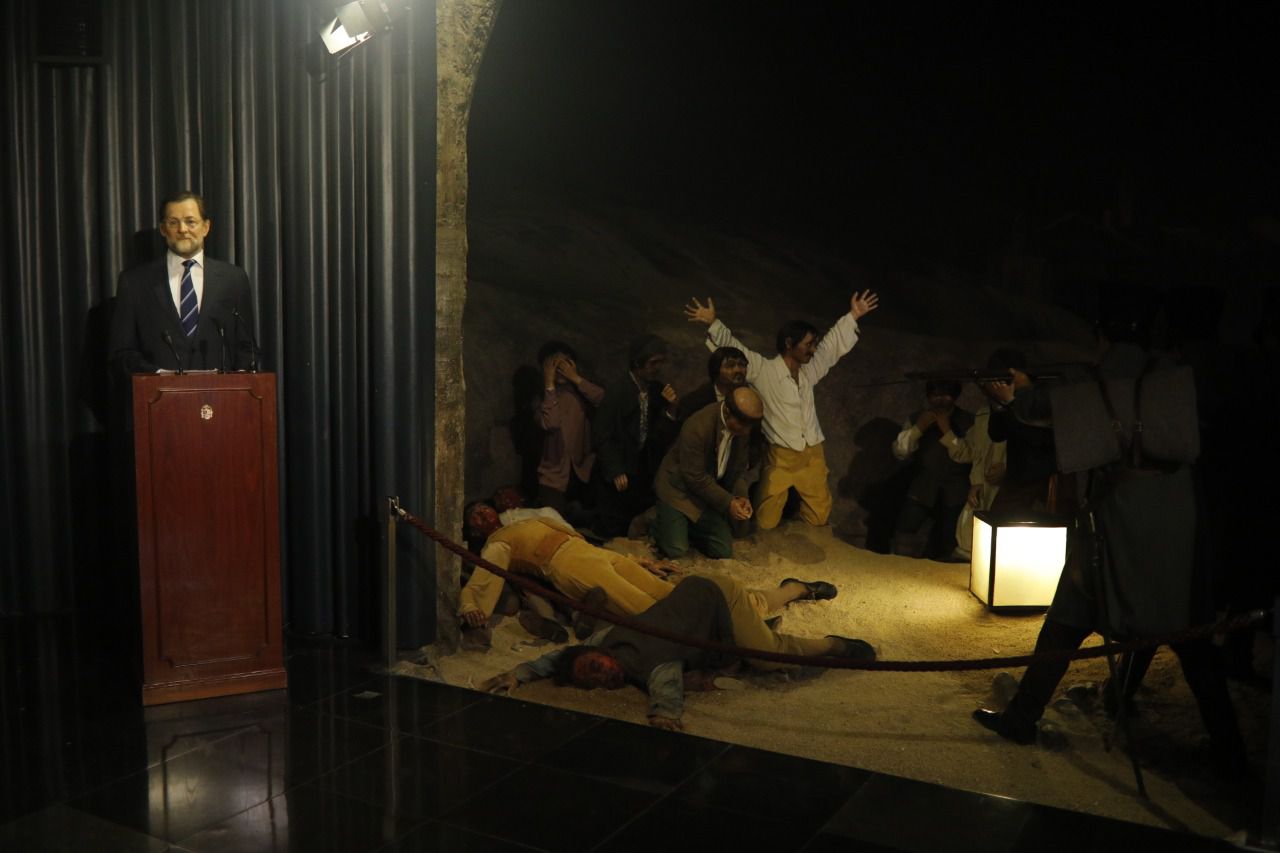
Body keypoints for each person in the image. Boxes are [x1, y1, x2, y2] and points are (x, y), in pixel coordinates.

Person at [971, 287, 1248, 778]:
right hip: (1178, 517)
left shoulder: (1098, 379)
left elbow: (1039, 409)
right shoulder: (1172, 373)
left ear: (1101, 334)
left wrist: (1020, 391)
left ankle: (1022, 717)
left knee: (1069, 616)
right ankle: (1231, 752)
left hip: (1118, 515)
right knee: (1188, 631)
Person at [479, 573, 870, 731]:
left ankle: (836, 645)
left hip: (712, 596)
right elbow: (559, 660)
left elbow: (665, 683)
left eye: (596, 667)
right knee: (752, 609)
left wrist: (664, 714)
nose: (603, 675)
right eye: (594, 681)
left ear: (598, 653)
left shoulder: (636, 656)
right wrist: (518, 674)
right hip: (702, 599)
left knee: (767, 654)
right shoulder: (603, 646)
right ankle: (796, 588)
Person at [685, 290, 879, 529]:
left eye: (813, 344)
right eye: (808, 344)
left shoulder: (809, 371)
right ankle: (760, 498)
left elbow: (830, 349)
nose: (813, 349)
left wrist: (853, 315)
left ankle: (799, 529)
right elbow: (737, 350)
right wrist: (713, 323)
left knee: (819, 517)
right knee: (765, 521)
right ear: (789, 344)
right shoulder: (765, 371)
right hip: (780, 456)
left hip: (812, 453)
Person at [458, 502, 676, 648]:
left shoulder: (523, 521)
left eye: (483, 508)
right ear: (475, 530)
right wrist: (469, 606)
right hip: (566, 563)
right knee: (637, 602)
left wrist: (636, 560)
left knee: (660, 588)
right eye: (475, 516)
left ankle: (693, 615)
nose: (482, 513)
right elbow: (481, 579)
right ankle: (680, 637)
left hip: (588, 550)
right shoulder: (496, 544)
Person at [109, 191, 257, 375]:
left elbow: (246, 347)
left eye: (190, 221)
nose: (182, 229)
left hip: (220, 392)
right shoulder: (134, 282)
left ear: (206, 227)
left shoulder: (234, 279)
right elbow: (122, 352)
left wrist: (240, 382)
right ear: (163, 229)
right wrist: (159, 375)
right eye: (173, 222)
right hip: (158, 391)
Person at [653, 386, 763, 559]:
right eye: (743, 424)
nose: (747, 431)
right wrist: (729, 502)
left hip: (705, 495)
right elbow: (695, 478)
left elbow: (738, 471)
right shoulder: (698, 426)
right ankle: (657, 519)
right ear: (727, 412)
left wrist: (742, 496)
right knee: (676, 550)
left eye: (750, 426)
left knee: (722, 550)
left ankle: (683, 527)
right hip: (678, 491)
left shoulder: (742, 429)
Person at [593, 334, 680, 537]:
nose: (657, 368)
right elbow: (602, 435)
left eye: (660, 362)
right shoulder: (617, 392)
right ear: (637, 363)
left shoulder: (656, 391)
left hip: (641, 468)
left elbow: (659, 436)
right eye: (653, 363)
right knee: (612, 525)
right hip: (619, 468)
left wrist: (671, 409)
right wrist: (615, 470)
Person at [890, 380, 974, 560]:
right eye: (935, 395)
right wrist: (918, 428)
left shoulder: (968, 420)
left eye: (946, 395)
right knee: (905, 528)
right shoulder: (917, 418)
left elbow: (969, 454)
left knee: (950, 537)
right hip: (924, 485)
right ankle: (900, 567)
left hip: (956, 488)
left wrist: (947, 430)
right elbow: (900, 451)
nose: (940, 400)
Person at [533, 341, 604, 516]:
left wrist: (575, 378)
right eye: (555, 365)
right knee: (554, 521)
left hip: (583, 471)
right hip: (553, 477)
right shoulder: (541, 399)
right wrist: (549, 384)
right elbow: (552, 423)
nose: (560, 370)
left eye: (564, 364)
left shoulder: (581, 393)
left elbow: (604, 401)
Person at [676, 346, 749, 423]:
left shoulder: (749, 399)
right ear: (716, 370)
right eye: (730, 365)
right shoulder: (693, 403)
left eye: (742, 364)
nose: (738, 370)